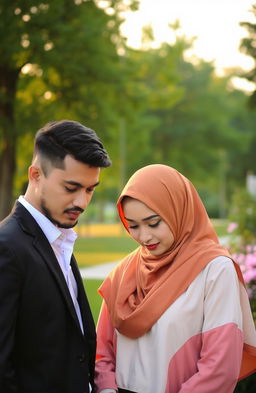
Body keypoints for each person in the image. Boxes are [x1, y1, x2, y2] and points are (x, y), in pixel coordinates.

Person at [95, 164, 256, 393]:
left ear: (177, 210)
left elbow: (219, 367)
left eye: (153, 223)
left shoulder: (215, 270)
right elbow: (102, 352)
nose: (144, 236)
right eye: (133, 226)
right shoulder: (124, 271)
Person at [0, 120, 111, 393]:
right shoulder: (7, 248)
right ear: (36, 175)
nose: (82, 203)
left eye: (90, 189)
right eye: (71, 188)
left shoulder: (58, 238)